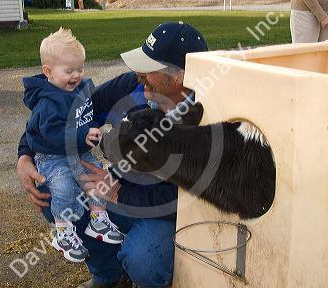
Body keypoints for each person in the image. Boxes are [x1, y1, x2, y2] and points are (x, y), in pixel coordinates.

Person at [17, 21, 208, 287]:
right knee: (57, 193)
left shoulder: (208, 116)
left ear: (178, 78)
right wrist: (25, 154)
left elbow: (185, 199)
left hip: (171, 212)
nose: (137, 73)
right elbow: (72, 114)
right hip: (124, 187)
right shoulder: (135, 85)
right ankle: (110, 277)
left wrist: (118, 193)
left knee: (144, 261)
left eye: (148, 68)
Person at [22, 27, 124, 263]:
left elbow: (92, 111)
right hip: (52, 156)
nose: (76, 75)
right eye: (69, 71)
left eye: (80, 68)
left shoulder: (80, 89)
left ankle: (98, 220)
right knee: (64, 188)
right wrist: (82, 135)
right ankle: (63, 231)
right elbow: (50, 133)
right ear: (48, 71)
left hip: (78, 152)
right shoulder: (48, 102)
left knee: (99, 178)